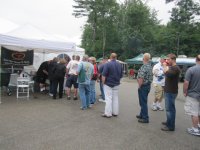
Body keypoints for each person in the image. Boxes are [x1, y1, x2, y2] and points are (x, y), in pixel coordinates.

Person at [161, 53, 180, 131]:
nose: (167, 61)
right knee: (169, 108)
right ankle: (169, 121)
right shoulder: (172, 67)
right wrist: (165, 66)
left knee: (170, 109)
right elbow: (164, 72)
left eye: (168, 59)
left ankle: (171, 126)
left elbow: (167, 74)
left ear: (173, 60)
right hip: (169, 91)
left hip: (171, 92)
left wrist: (165, 66)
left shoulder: (175, 68)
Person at [101, 53, 123, 118]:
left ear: (110, 57)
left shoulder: (107, 64)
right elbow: (121, 75)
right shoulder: (119, 64)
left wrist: (103, 83)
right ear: (116, 57)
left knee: (108, 98)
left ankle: (108, 113)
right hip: (116, 84)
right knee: (115, 98)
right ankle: (115, 112)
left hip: (108, 84)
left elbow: (103, 75)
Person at [183, 54, 200, 136]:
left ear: (196, 60)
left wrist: (184, 91)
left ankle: (195, 129)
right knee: (199, 112)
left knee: (194, 113)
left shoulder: (191, 69)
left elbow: (186, 82)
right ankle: (198, 126)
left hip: (193, 95)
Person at [136, 53, 153, 123]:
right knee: (144, 101)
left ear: (144, 58)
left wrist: (139, 86)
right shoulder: (149, 66)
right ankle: (142, 114)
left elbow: (141, 78)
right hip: (147, 86)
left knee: (143, 102)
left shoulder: (144, 66)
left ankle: (145, 118)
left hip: (143, 86)